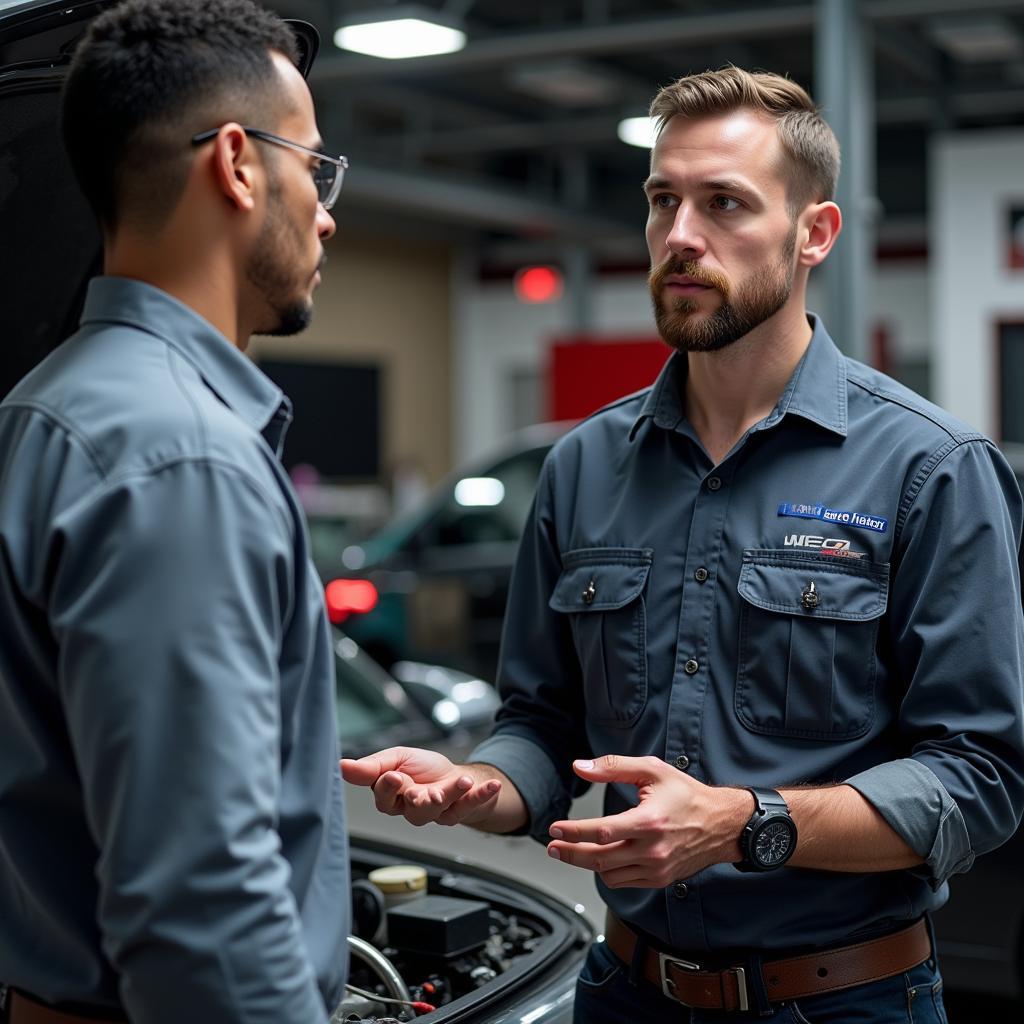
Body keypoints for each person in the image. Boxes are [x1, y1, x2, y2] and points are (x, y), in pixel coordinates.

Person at [342, 67, 1024, 1022]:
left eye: (725, 204)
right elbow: (542, 722)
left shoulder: (931, 469)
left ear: (814, 233)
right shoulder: (582, 466)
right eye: (664, 201)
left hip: (844, 1001)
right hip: (625, 991)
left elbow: (978, 778)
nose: (681, 237)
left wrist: (747, 825)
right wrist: (482, 785)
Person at [0, 2, 350, 1022]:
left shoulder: (45, 409)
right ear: (239, 163)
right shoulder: (180, 456)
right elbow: (205, 916)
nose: (327, 211)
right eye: (315, 168)